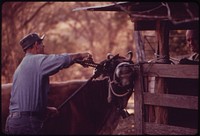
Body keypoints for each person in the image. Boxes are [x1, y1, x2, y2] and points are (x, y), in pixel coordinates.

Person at [5, 32, 93, 135]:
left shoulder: (20, 68)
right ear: (36, 45)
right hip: (28, 124)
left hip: (12, 123)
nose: (44, 46)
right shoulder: (36, 60)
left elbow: (24, 101)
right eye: (41, 43)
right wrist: (80, 55)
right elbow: (60, 60)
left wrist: (45, 110)